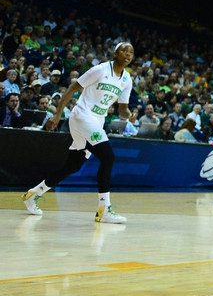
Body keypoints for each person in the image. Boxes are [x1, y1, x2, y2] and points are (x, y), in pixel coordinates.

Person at [21, 42, 136, 224]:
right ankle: (103, 209)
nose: (128, 54)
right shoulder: (100, 69)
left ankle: (33, 194)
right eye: (124, 50)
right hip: (83, 116)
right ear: (115, 54)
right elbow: (73, 88)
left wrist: (129, 116)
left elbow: (122, 110)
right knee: (108, 157)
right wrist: (57, 115)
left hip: (97, 121)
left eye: (131, 51)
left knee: (73, 165)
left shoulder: (127, 80)